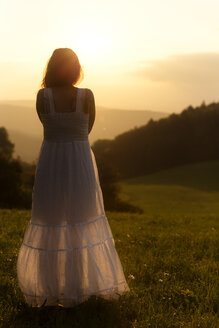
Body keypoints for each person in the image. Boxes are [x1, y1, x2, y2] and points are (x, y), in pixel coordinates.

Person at [16, 48, 130, 307]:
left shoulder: (43, 97)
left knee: (51, 217)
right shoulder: (86, 96)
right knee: (82, 217)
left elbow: (47, 124)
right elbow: (87, 128)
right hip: (80, 160)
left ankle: (50, 287)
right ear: (76, 68)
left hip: (51, 160)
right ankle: (82, 285)